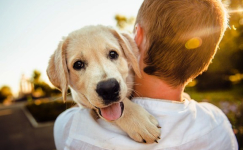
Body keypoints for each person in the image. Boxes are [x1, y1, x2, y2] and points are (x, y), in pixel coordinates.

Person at [54, 0, 238, 149]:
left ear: (137, 38)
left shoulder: (71, 129)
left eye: (112, 54)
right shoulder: (218, 123)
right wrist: (126, 111)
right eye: (79, 64)